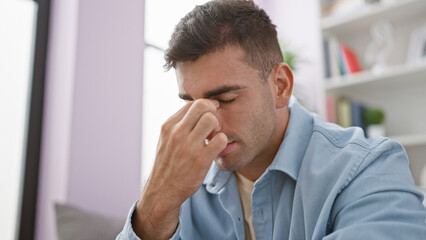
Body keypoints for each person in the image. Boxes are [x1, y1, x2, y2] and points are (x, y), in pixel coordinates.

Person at [117, 0, 426, 239]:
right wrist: (156, 202)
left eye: (225, 99)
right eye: (191, 105)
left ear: (280, 87)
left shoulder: (367, 169)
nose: (206, 125)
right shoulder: (182, 187)